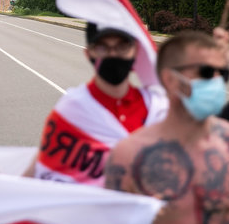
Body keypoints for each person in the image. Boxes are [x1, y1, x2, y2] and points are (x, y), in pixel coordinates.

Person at [104, 31, 229, 224]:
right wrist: (136, 220)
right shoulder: (129, 155)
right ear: (170, 79)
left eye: (222, 73)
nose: (216, 81)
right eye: (205, 72)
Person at [25, 22, 167, 185]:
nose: (113, 54)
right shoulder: (71, 110)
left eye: (122, 47)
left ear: (135, 51)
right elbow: (44, 172)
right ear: (88, 54)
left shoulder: (156, 109)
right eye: (102, 48)